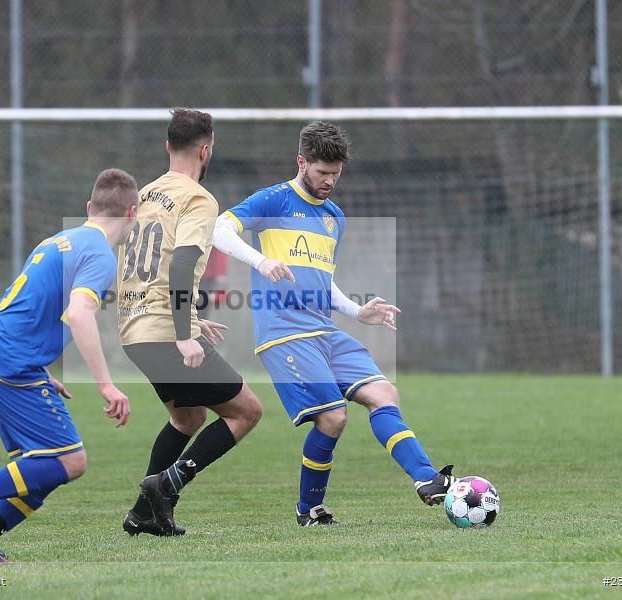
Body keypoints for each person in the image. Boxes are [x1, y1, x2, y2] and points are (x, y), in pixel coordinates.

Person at [212, 122, 454, 526]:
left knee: (383, 393)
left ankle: (427, 480)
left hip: (323, 329)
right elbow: (219, 228)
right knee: (334, 416)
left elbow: (323, 281)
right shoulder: (274, 199)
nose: (329, 182)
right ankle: (309, 510)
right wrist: (261, 260)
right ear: (301, 161)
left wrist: (359, 313)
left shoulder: (334, 217)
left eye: (335, 175)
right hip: (284, 332)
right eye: (322, 172)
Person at [0, 169, 138, 561]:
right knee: (71, 461)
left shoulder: (58, 240)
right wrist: (106, 385)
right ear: (132, 214)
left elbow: (26, 305)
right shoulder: (99, 255)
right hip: (8, 360)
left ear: (89, 208)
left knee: (45, 465)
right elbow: (79, 315)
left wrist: (41, 370)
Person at [118, 108, 263, 536]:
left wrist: (192, 320)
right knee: (247, 412)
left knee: (188, 418)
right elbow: (181, 265)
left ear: (168, 146)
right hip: (165, 331)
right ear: (206, 150)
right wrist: (184, 334)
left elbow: (146, 265)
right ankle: (168, 486)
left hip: (134, 327)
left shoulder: (144, 194)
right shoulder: (198, 199)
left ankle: (144, 514)